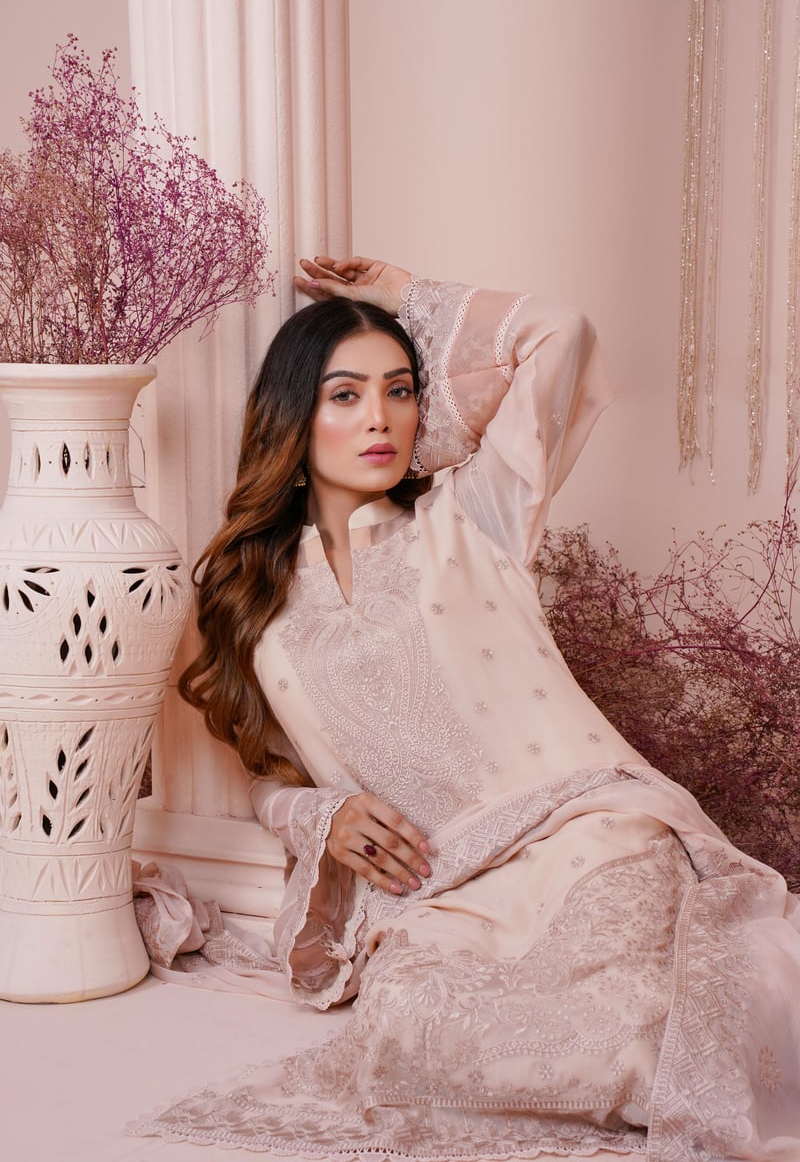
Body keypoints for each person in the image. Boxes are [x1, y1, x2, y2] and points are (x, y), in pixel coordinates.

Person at [130, 257, 800, 1160]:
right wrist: (322, 816)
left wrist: (404, 294)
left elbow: (562, 333)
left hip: (591, 839)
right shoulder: (251, 597)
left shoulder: (475, 516)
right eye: (346, 395)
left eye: (401, 390)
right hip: (442, 888)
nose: (381, 417)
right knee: (409, 1032)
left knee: (647, 1022)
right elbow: (266, 774)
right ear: (292, 415)